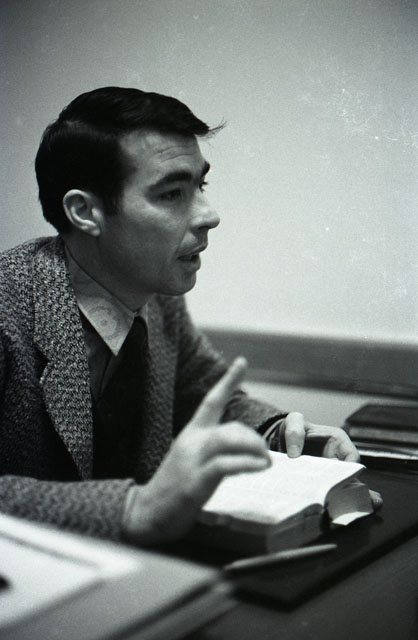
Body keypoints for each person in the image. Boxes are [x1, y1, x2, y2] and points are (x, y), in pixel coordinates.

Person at [0, 87, 376, 547]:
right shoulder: (7, 304)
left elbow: (205, 398)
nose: (209, 215)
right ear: (84, 211)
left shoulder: (156, 295)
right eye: (171, 193)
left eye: (201, 186)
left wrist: (279, 432)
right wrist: (132, 509)